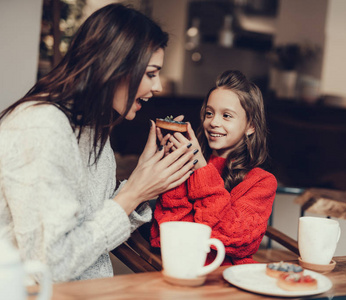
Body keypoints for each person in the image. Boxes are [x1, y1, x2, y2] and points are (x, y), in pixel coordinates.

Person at [0, 4, 198, 283]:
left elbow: (97, 227)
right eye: (151, 73)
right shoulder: (41, 126)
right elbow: (49, 266)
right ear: (116, 67)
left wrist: (141, 182)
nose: (159, 87)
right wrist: (133, 193)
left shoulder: (92, 131)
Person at [150, 70, 277, 265]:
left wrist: (202, 172)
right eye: (209, 113)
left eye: (227, 115)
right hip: (181, 270)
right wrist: (174, 165)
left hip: (229, 282)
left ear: (251, 126)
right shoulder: (186, 164)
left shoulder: (262, 182)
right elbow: (168, 233)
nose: (213, 122)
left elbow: (236, 238)